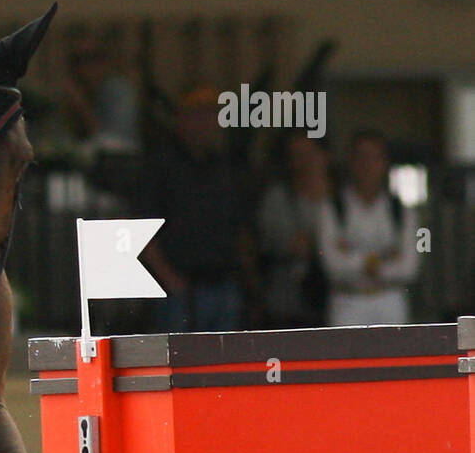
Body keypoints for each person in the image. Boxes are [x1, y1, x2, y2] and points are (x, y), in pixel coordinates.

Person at [139, 82, 258, 333]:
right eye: (199, 113)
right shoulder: (161, 166)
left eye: (213, 114)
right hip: (180, 289)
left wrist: (249, 283)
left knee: (226, 365)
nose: (206, 122)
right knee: (179, 365)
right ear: (182, 117)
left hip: (225, 285)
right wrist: (169, 279)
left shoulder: (225, 167)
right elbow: (141, 229)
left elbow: (240, 227)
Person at [316, 130, 418, 326]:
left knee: (393, 355)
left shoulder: (401, 211)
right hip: (346, 301)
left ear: (384, 162)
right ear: (350, 161)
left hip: (390, 300)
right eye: (361, 157)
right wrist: (383, 260)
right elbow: (332, 264)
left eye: (374, 158)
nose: (367, 165)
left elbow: (409, 267)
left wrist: (352, 257)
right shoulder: (332, 208)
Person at [256, 133, 332, 328]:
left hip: (338, 301)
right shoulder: (278, 198)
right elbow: (274, 242)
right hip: (288, 300)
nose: (305, 162)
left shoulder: (344, 198)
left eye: (309, 154)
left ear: (324, 155)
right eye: (297, 155)